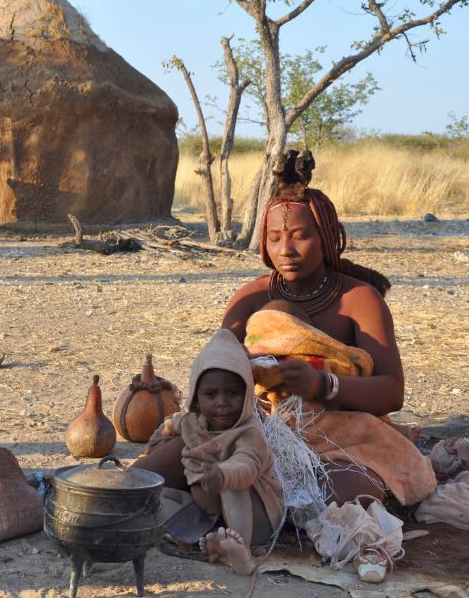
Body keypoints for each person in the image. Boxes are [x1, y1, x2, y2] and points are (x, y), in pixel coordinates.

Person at [221, 149, 435, 507]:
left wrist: (323, 384)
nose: (286, 250)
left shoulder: (359, 299)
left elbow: (392, 392)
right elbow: (215, 371)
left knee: (346, 491)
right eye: (275, 238)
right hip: (258, 430)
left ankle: (267, 507)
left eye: (300, 236)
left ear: (327, 236)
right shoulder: (251, 297)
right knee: (184, 458)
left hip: (343, 436)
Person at [133, 329, 284, 575]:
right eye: (211, 395)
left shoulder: (248, 432)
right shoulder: (192, 422)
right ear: (196, 398)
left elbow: (246, 465)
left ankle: (241, 552)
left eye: (233, 393)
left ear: (247, 395)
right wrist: (155, 445)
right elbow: (170, 425)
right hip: (211, 510)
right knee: (160, 499)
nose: (222, 402)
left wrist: (223, 475)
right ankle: (216, 541)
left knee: (233, 483)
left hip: (256, 518)